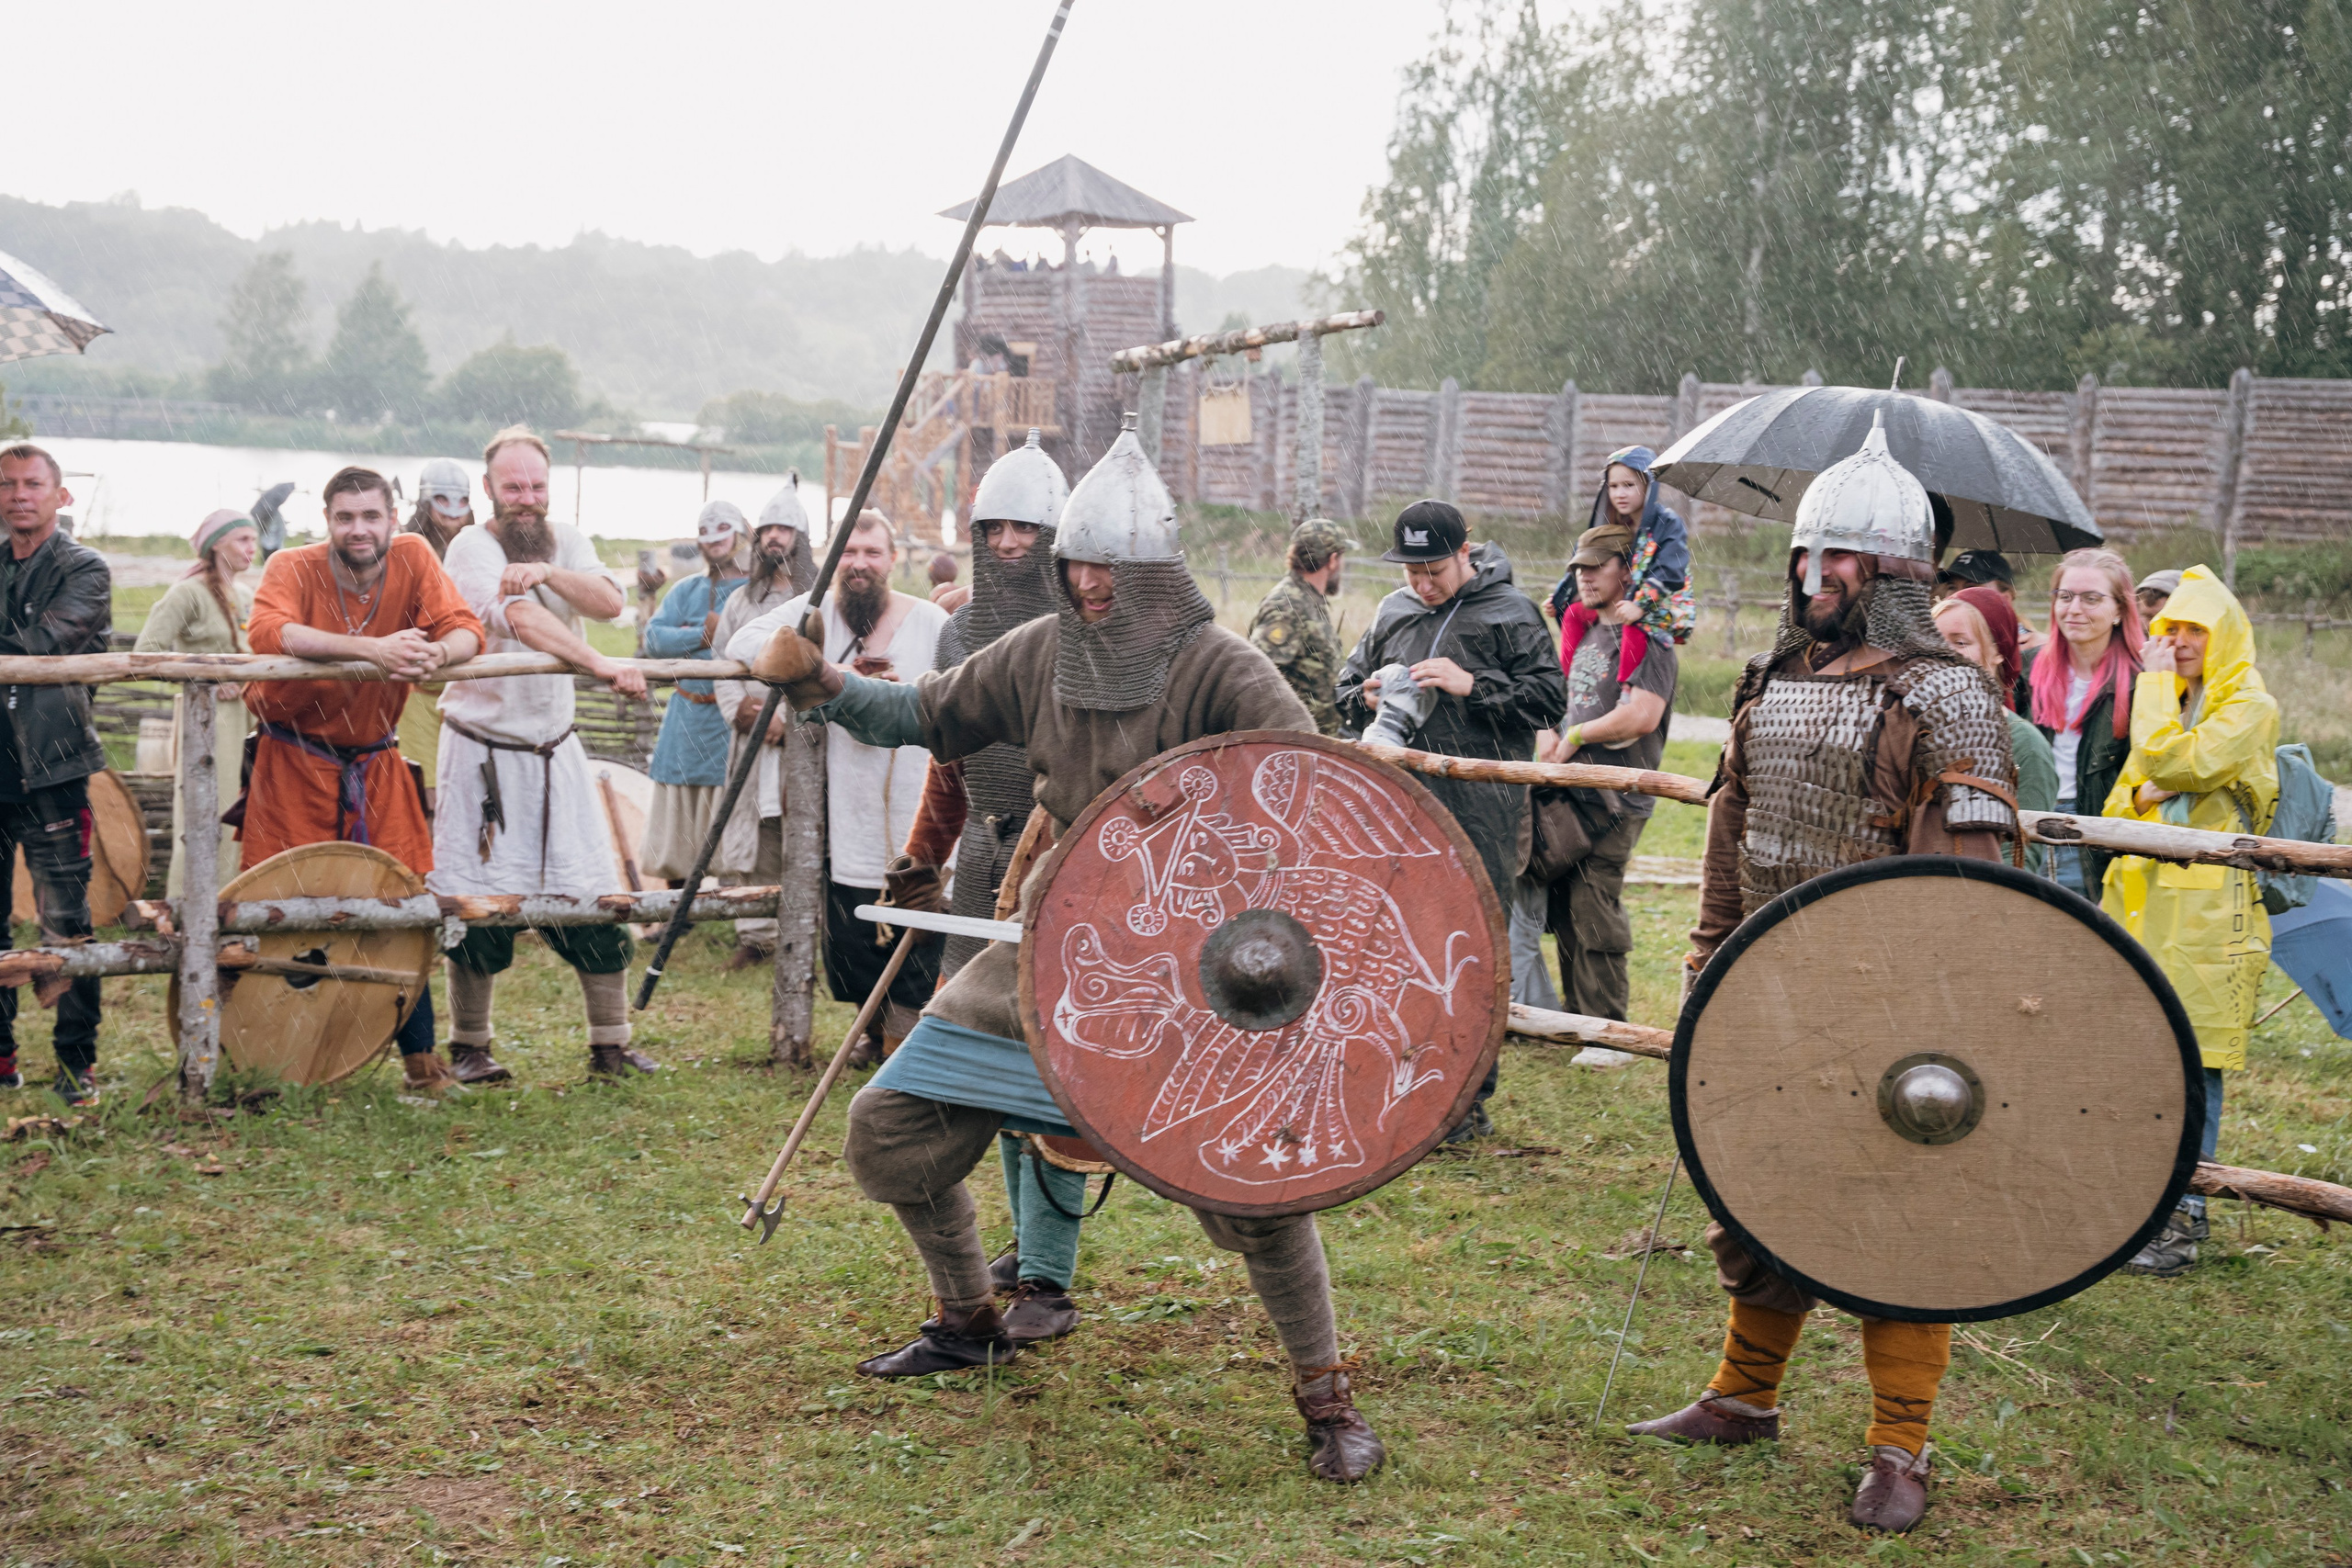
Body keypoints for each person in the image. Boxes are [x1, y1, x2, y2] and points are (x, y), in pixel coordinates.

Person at [730, 423, 1388, 1484]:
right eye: (1076, 563)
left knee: (1253, 1188)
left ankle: (1327, 1397)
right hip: (1052, 946)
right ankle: (967, 1321)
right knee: (891, 1128)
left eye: (1107, 566)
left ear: (1154, 569)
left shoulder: (1220, 668)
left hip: (1195, 968)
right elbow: (925, 711)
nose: (1086, 583)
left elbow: (1310, 792)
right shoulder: (1040, 652)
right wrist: (822, 682)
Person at [1633, 416, 2018, 1535]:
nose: (1816, 573)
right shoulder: (1771, 680)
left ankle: (1900, 1443)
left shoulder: (1945, 697)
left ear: (1897, 571)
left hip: (1895, 1007)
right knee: (1756, 1193)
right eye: (1807, 552)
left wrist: (1931, 1009)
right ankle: (1744, 1396)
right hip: (1765, 990)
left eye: (1840, 555)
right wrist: (1707, 963)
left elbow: (1971, 888)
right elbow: (1732, 839)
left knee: (1898, 1217)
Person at [901, 431, 1081, 1340]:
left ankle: (1048, 1278)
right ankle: (1023, 1243)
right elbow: (950, 761)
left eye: (1027, 528)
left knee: (1050, 1068)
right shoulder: (961, 630)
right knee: (989, 1061)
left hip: (1061, 862)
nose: (1010, 543)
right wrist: (922, 855)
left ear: (1057, 536)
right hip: (983, 860)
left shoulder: (1090, 636)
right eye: (996, 528)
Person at [243, 466, 485, 1093]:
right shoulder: (290, 566)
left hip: (376, 766)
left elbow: (465, 627)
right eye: (345, 517)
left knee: (401, 908)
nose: (359, 529)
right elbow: (270, 633)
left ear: (392, 518)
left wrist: (437, 653)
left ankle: (422, 1065)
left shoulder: (414, 554)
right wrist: (371, 650)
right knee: (285, 910)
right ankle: (272, 1062)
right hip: (293, 764)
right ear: (327, 520)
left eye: (371, 516)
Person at [1336, 500, 1566, 1139]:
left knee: (1469, 949)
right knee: (1391, 943)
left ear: (1465, 552)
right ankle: (1390, 1079)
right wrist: (1364, 697)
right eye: (1412, 572)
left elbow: (1550, 700)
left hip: (1482, 810)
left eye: (1434, 570)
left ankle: (1463, 1101)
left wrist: (1474, 685)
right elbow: (1344, 689)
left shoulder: (1511, 612)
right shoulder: (1394, 610)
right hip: (1398, 808)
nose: (1423, 584)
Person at [430, 428, 654, 1082]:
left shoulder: (568, 540)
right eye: (513, 487)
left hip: (557, 752)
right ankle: (470, 1046)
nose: (526, 498)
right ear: (489, 490)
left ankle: (610, 1045)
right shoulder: (471, 547)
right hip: (485, 755)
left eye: (535, 486)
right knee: (478, 903)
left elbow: (610, 602)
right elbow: (521, 619)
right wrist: (600, 665)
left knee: (591, 890)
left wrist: (552, 570)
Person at [2100, 565, 2278, 1277]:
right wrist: (2149, 787)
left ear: (2223, 633)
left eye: (2193, 629)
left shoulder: (2251, 706)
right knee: (2136, 1056)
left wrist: (2153, 715)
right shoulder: (2172, 700)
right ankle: (2131, 1208)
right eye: (2168, 628)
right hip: (2142, 902)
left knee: (2195, 1066)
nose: (2177, 641)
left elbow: (2174, 761)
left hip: (2208, 915)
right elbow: (2121, 801)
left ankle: (2182, 1220)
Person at [1537, 520, 1678, 1056]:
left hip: (1619, 795)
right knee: (1566, 904)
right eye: (1580, 567)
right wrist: (1551, 733)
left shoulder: (1651, 638)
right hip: (1575, 790)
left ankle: (1609, 1034)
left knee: (1594, 902)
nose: (1585, 576)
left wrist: (1576, 737)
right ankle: (1580, 1020)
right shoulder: (1588, 627)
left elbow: (1641, 716)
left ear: (1628, 571)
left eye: (1598, 566)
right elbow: (1566, 700)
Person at [0, 445, 112, 1103]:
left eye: (33, 484)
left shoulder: (85, 568)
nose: (20, 494)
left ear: (60, 496)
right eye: (8, 484)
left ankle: (77, 1063)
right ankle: (1, 1056)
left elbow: (44, 645)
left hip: (53, 766)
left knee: (66, 919)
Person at [709, 478, 818, 965]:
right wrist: (742, 713)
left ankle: (802, 926)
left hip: (803, 737)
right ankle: (755, 934)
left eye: (784, 528)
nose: (775, 536)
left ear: (801, 537)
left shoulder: (818, 599)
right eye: (768, 528)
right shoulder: (741, 602)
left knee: (801, 829)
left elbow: (825, 665)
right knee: (753, 831)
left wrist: (789, 722)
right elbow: (722, 664)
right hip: (752, 736)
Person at [135, 510, 258, 894]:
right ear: (217, 544)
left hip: (246, 718)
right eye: (242, 539)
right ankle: (190, 903)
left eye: (254, 540)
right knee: (208, 811)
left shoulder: (245, 595)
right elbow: (146, 653)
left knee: (242, 809)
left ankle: (232, 901)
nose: (251, 548)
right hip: (207, 719)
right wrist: (203, 677)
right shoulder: (187, 593)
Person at [2023, 548, 2143, 901]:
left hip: (2093, 829)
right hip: (2026, 820)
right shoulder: (2025, 670)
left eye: (2091, 599)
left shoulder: (2143, 682)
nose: (2074, 609)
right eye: (2065, 596)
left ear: (2119, 610)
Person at [639, 502, 748, 889]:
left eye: (723, 530)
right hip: (686, 719)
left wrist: (717, 640)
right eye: (706, 531)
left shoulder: (754, 593)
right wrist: (700, 636)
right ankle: (678, 910)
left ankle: (736, 906)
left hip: (730, 720)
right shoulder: (687, 590)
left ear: (740, 534)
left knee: (729, 816)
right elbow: (654, 639)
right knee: (679, 832)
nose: (714, 540)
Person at [1546, 446, 1694, 687]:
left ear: (1648, 485)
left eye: (1628, 485)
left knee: (1633, 622)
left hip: (1659, 601)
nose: (1620, 494)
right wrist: (1561, 594)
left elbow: (1670, 569)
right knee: (1573, 612)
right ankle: (1566, 681)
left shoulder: (1666, 523)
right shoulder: (1612, 522)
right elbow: (1584, 558)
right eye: (1613, 486)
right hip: (1619, 600)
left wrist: (1641, 605)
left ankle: (1626, 686)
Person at [1934, 593, 2056, 874]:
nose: (1941, 652)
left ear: (1998, 651)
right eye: (1935, 639)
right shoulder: (1905, 727)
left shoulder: (2024, 745)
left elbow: (2019, 857)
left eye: (1960, 642)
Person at [1248, 518, 1358, 736]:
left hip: (1317, 740)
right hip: (1295, 742)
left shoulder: (1308, 600)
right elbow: (1258, 677)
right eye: (1342, 557)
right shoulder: (1287, 605)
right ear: (1333, 560)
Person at [405, 457, 474, 559]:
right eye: (442, 498)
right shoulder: (407, 547)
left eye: (462, 500)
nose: (453, 510)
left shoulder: (477, 547)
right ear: (426, 502)